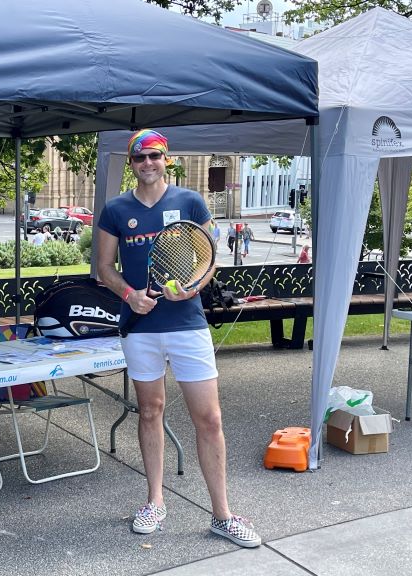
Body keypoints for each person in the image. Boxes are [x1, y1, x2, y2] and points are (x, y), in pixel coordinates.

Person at [96, 129, 261, 548]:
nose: (147, 163)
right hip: (141, 330)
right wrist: (130, 295)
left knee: (210, 419)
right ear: (131, 163)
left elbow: (208, 260)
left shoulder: (189, 202)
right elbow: (104, 268)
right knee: (150, 411)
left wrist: (192, 287)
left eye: (154, 156)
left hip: (188, 325)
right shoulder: (115, 209)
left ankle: (222, 515)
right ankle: (154, 502)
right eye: (139, 158)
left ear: (166, 159)